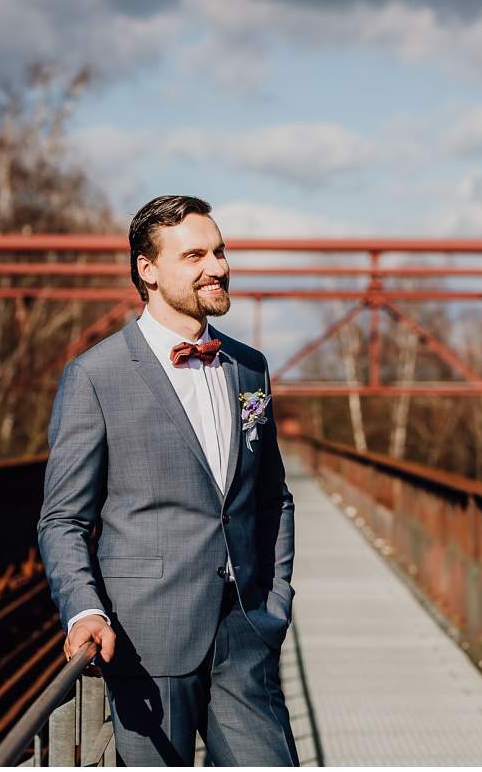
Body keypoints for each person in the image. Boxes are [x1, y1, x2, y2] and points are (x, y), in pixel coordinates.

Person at [37, 194, 299, 766]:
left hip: (246, 629)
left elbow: (273, 494)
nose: (219, 267)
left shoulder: (248, 366)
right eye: (196, 255)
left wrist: (275, 600)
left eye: (221, 251)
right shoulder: (95, 377)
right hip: (145, 640)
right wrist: (84, 610)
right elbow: (64, 518)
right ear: (147, 270)